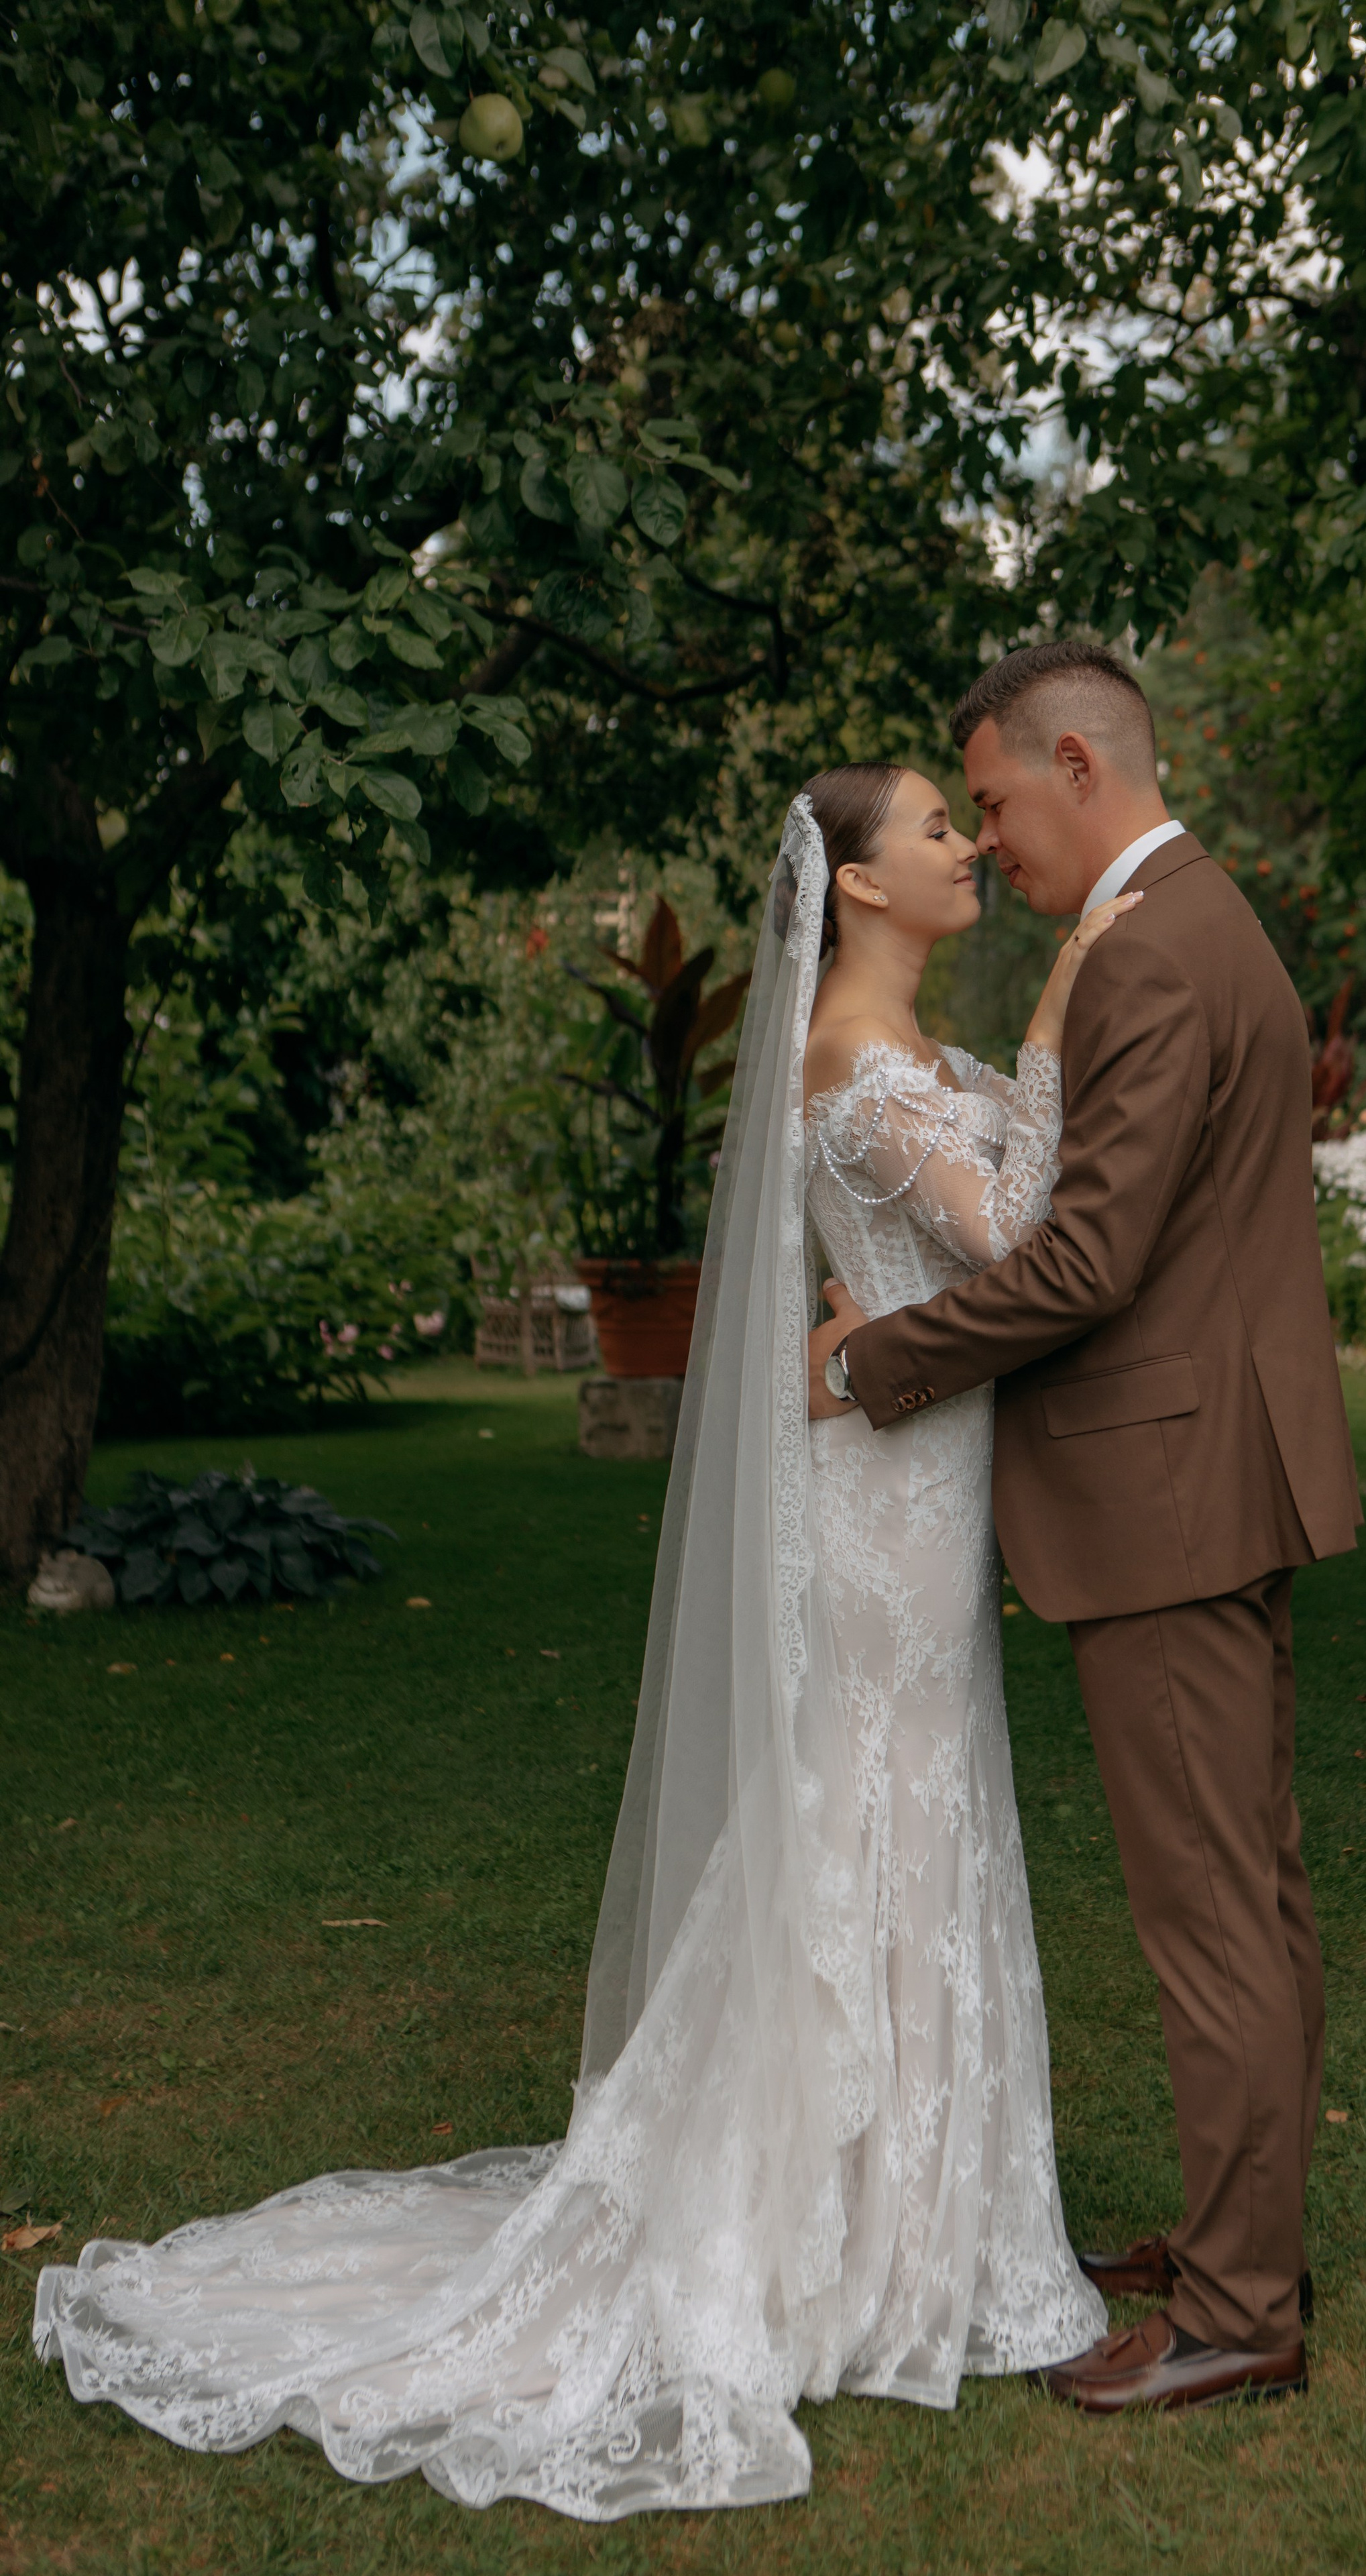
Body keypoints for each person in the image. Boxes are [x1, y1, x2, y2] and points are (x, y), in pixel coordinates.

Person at [34, 766, 1128, 2519]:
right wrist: (1070, 1012)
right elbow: (1014, 1234)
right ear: (852, 886)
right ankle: (846, 2227)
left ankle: (907, 2215)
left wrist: (875, 1310)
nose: (962, 846)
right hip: (888, 1506)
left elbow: (959, 1239)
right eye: (929, 826)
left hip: (913, 1477)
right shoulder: (853, 1058)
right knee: (878, 1811)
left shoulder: (899, 1054)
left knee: (900, 1807)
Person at [811, 640, 1361, 2415]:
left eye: (989, 801)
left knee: (1214, 1914)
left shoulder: (1151, 954)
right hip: (1217, 1471)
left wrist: (884, 1357)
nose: (990, 838)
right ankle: (1234, 2244)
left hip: (1170, 1494)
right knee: (1249, 1897)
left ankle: (1238, 2311)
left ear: (1073, 761)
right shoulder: (1197, 927)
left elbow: (1086, 1262)